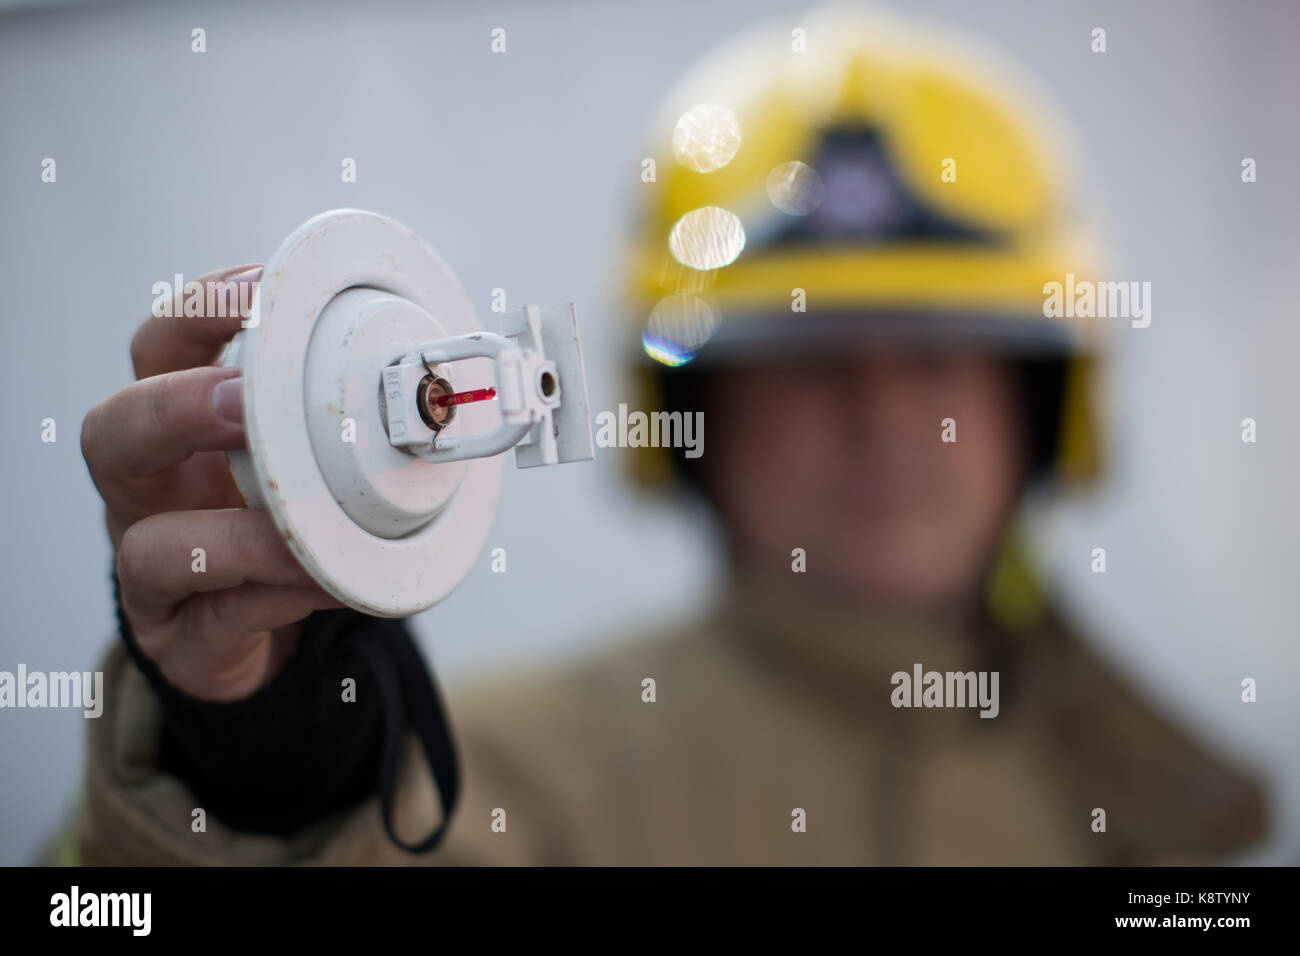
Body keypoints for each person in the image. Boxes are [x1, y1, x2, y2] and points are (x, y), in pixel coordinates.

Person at [63, 9, 1267, 865]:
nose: (883, 415)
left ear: (1039, 410)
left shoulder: (1161, 813)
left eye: (938, 353)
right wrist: (254, 748)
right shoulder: (487, 779)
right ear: (700, 423)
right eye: (808, 357)